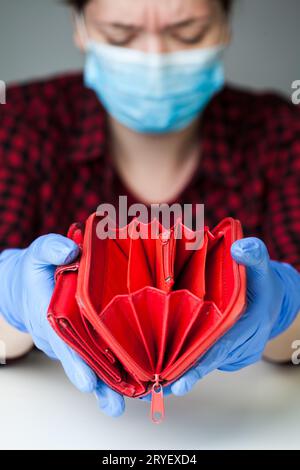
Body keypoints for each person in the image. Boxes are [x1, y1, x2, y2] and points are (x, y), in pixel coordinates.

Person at [0, 0, 299, 417]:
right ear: (80, 26)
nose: (155, 60)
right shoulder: (15, 126)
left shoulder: (285, 137)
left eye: (188, 31)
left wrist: (285, 309)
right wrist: (10, 299)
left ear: (225, 25)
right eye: (121, 33)